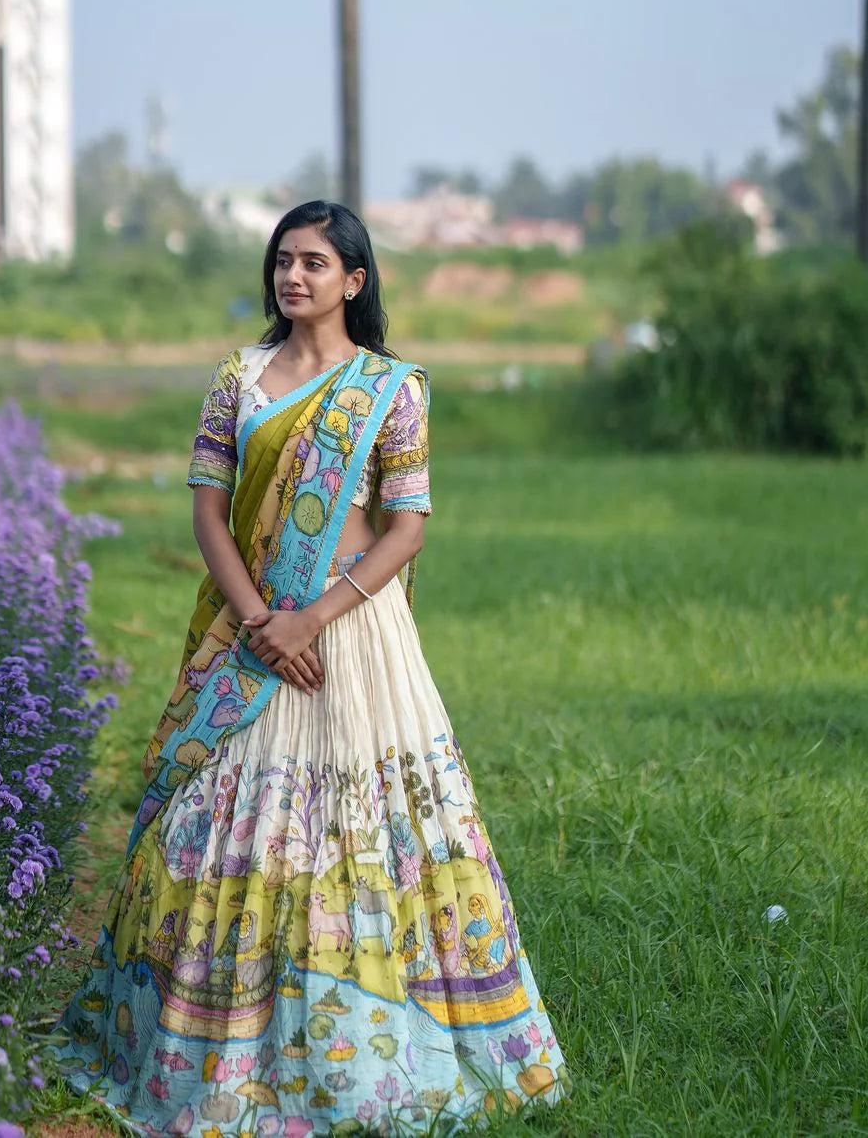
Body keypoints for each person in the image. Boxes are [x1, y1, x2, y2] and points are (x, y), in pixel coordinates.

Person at [47, 201, 569, 1132]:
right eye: (283, 261)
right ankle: (214, 1050)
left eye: (315, 263)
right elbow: (209, 514)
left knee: (366, 825)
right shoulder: (237, 380)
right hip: (254, 634)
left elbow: (406, 525)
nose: (293, 277)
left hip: (354, 640)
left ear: (354, 281)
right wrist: (260, 620)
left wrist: (313, 618)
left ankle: (379, 1048)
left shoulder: (390, 388)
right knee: (223, 823)